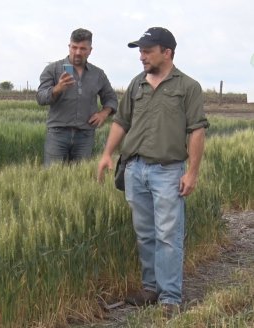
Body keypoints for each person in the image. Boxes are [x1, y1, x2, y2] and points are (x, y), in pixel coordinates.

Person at [97, 27, 209, 316]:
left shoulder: (188, 87)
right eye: (140, 51)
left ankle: (170, 296)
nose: (141, 56)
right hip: (134, 168)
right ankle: (151, 288)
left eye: (147, 51)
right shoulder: (137, 84)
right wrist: (107, 154)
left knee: (169, 235)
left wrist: (192, 173)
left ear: (167, 52)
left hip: (168, 171)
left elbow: (196, 131)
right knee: (145, 234)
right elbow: (121, 121)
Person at [36, 28, 117, 166]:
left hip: (85, 136)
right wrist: (57, 89)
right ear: (69, 47)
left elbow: (111, 98)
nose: (78, 52)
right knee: (52, 178)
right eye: (74, 47)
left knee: (81, 178)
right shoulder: (53, 69)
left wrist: (104, 113)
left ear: (90, 50)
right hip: (57, 133)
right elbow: (40, 98)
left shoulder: (98, 74)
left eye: (83, 48)